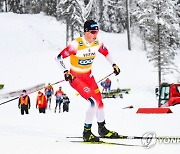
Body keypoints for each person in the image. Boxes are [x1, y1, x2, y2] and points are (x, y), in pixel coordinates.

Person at [56, 20, 120, 142]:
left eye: (97, 32)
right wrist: (65, 72)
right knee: (93, 102)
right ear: (85, 32)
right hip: (76, 78)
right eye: (92, 32)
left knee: (100, 101)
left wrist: (114, 65)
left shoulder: (97, 43)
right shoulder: (76, 45)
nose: (95, 35)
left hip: (89, 77)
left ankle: (102, 129)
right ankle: (87, 132)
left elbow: (106, 53)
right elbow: (58, 58)